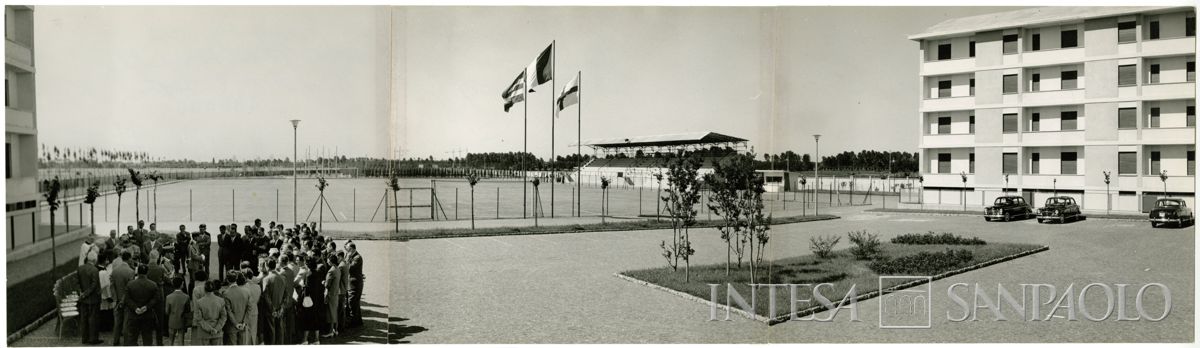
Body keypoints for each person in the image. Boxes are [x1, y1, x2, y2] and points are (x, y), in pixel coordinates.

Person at [123, 264, 161, 346]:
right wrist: (147, 307)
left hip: (134, 315)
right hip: (147, 315)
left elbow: (127, 299)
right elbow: (156, 299)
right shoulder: (153, 285)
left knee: (132, 338)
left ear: (138, 272)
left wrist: (135, 308)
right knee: (147, 338)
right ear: (147, 272)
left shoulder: (130, 284)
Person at [109, 251, 135, 346]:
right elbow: (129, 289)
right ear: (128, 259)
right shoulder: (131, 272)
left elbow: (111, 286)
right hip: (126, 302)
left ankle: (115, 342)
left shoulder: (115, 271)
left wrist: (116, 299)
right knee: (126, 323)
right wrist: (123, 301)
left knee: (117, 323)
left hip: (117, 300)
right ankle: (126, 343)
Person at [77, 254, 103, 345]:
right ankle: (93, 339)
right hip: (93, 298)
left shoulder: (80, 268)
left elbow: (78, 282)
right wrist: (85, 294)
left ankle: (84, 338)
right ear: (94, 260)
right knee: (93, 319)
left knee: (84, 319)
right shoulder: (95, 270)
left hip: (83, 298)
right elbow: (94, 285)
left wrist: (81, 293)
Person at [299, 257, 327, 344]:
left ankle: (305, 339)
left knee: (307, 320)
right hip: (318, 300)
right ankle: (316, 339)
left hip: (309, 300)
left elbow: (307, 290)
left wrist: (302, 287)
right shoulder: (318, 273)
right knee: (316, 319)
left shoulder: (308, 275)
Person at [221, 271, 252, 345]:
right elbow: (249, 308)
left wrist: (236, 324)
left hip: (231, 327)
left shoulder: (226, 293)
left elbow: (228, 311)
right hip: (243, 325)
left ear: (227, 280)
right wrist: (244, 322)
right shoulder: (246, 292)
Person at [192, 281, 227, 346]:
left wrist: (209, 329)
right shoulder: (221, 301)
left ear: (205, 290)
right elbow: (223, 317)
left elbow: (199, 318)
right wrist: (216, 329)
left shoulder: (199, 302)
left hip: (203, 332)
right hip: (217, 332)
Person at [261, 258, 287, 345]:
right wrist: (281, 309)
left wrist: (273, 309)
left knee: (270, 332)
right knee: (280, 330)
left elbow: (265, 296)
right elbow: (286, 295)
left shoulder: (266, 279)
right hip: (279, 309)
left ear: (267, 266)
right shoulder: (283, 278)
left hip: (270, 311)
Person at [164, 277, 190, 346]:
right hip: (181, 321)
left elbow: (166, 311)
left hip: (172, 321)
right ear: (181, 285)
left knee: (170, 340)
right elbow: (188, 310)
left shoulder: (168, 297)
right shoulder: (186, 297)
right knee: (181, 341)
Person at [239, 266, 262, 345]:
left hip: (245, 313)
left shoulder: (243, 288)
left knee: (245, 335)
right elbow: (258, 300)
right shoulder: (258, 287)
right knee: (253, 332)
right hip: (255, 311)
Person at [322, 254, 342, 338]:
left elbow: (327, 284)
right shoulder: (337, 269)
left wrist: (323, 282)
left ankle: (330, 331)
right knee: (334, 312)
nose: (327, 261)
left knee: (330, 313)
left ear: (330, 261)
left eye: (328, 260)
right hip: (336, 293)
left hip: (330, 294)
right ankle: (335, 330)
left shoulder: (331, 271)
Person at [346, 242, 364, 328]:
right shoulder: (353, 256)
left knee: (352, 302)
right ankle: (358, 321)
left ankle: (353, 322)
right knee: (355, 303)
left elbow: (349, 268)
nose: (347, 251)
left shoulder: (357, 257)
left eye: (348, 249)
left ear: (352, 249)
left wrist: (348, 258)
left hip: (355, 284)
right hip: (353, 283)